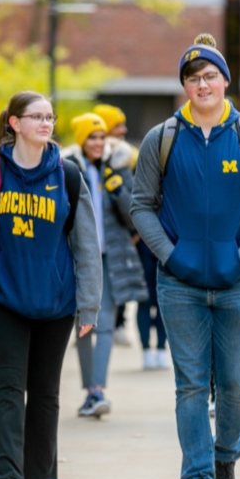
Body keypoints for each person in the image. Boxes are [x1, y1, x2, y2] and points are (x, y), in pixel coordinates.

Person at [131, 33, 240, 479]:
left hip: (238, 283)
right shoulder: (163, 138)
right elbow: (141, 207)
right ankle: (197, 478)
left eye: (210, 76)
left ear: (225, 81)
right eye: (194, 79)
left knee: (236, 384)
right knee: (191, 384)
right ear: (184, 86)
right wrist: (171, 256)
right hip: (179, 285)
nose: (203, 85)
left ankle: (225, 458)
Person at [0, 91, 102, 479]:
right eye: (36, 117)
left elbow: (86, 245)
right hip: (6, 302)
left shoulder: (68, 175)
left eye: (50, 117)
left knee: (46, 395)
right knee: (8, 392)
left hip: (56, 304)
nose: (46, 123)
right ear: (14, 123)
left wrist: (89, 304)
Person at [63, 113, 147, 417]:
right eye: (92, 137)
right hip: (80, 258)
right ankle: (91, 391)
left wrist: (118, 190)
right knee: (84, 324)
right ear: (81, 140)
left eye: (101, 137)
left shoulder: (118, 168)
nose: (98, 143)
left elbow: (134, 215)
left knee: (107, 323)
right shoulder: (69, 171)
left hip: (111, 257)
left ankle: (97, 390)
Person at [93, 103, 139, 348]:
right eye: (117, 125)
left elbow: (134, 198)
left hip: (120, 232)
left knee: (120, 279)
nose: (123, 129)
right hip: (94, 235)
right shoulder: (82, 160)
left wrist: (134, 231)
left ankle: (119, 323)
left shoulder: (126, 157)